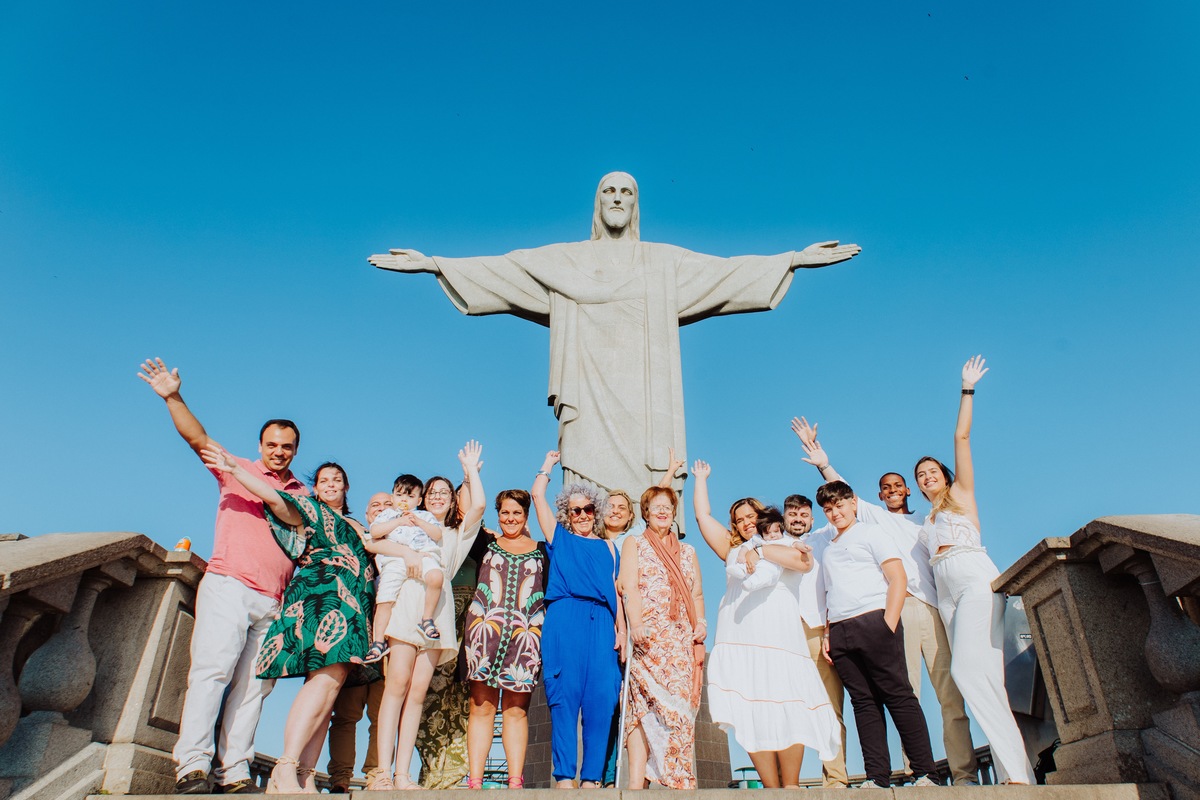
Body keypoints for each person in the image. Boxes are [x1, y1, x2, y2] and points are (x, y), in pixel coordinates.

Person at [370, 172, 860, 498]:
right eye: (609, 192)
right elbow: (507, 269)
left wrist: (791, 259)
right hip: (587, 397)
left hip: (646, 403)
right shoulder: (567, 260)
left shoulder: (663, 263)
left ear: (637, 204)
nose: (618, 200)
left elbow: (725, 274)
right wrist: (435, 264)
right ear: (596, 202)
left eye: (627, 193)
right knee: (586, 500)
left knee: (647, 498)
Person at [138, 358, 306, 795]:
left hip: (274, 601)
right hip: (230, 584)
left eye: (286, 446)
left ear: (295, 451)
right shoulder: (236, 468)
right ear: (261, 445)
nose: (278, 452)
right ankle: (192, 765)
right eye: (272, 444)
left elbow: (289, 515)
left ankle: (233, 771)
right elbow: (196, 438)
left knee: (254, 689)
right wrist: (173, 396)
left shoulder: (302, 494)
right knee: (211, 673)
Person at [791, 416, 980, 786]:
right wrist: (822, 462)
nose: (892, 490)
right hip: (889, 611)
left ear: (908, 490)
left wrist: (887, 621)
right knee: (895, 694)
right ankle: (913, 773)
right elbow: (842, 496)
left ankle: (962, 774)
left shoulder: (929, 521)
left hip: (926, 608)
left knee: (947, 697)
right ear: (877, 496)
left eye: (899, 485)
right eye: (885, 487)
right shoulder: (873, 522)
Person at [201, 450, 375, 794]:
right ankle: (286, 766)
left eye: (336, 480)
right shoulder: (308, 508)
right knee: (323, 683)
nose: (330, 484)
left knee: (331, 688)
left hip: (355, 606)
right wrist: (236, 469)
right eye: (323, 480)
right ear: (315, 487)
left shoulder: (358, 525)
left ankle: (305, 774)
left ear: (347, 487)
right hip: (325, 596)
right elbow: (272, 496)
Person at [913, 356, 1036, 784]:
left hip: (972, 577)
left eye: (932, 471)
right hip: (945, 590)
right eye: (920, 475)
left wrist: (967, 390)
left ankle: (1018, 774)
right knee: (978, 679)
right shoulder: (924, 523)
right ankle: (1015, 772)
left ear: (944, 477)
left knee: (967, 671)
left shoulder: (961, 496)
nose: (926, 476)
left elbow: (961, 437)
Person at [692, 463, 839, 788]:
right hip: (740, 636)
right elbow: (703, 517)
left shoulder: (785, 544)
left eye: (750, 516)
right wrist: (700, 480)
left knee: (790, 705)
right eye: (739, 519)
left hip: (780, 637)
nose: (745, 522)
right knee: (750, 708)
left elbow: (803, 564)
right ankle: (771, 788)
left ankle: (791, 787)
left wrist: (760, 548)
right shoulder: (732, 550)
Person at [369, 443, 486, 791]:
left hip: (438, 605)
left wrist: (470, 471)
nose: (437, 496)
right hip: (407, 598)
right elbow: (373, 542)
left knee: (418, 692)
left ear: (452, 500)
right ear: (421, 498)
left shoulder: (454, 533)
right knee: (396, 685)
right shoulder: (405, 523)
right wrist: (404, 550)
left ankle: (403, 774)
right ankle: (382, 773)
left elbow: (478, 504)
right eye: (431, 492)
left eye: (444, 492)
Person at [814, 480, 940, 789]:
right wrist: (830, 633)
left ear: (853, 503)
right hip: (842, 630)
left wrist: (888, 623)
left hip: (875, 621)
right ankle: (876, 778)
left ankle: (926, 773)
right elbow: (831, 592)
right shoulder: (829, 548)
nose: (834, 513)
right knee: (863, 703)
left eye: (839, 506)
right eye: (828, 509)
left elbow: (898, 578)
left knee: (898, 696)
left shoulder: (872, 533)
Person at [532, 450, 624, 788]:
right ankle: (565, 778)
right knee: (565, 697)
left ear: (595, 512)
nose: (583, 515)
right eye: (576, 510)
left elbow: (618, 593)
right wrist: (547, 465)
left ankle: (591, 781)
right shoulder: (559, 537)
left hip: (602, 622)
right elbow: (537, 495)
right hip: (564, 617)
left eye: (588, 509)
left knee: (602, 698)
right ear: (567, 514)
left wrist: (622, 631)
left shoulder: (610, 547)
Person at [619, 486, 704, 789]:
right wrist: (636, 622)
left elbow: (696, 593)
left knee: (680, 711)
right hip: (647, 640)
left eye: (668, 505)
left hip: (679, 640)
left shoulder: (689, 551)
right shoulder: (635, 543)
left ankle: (678, 779)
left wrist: (701, 623)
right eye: (656, 506)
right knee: (641, 711)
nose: (662, 510)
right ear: (645, 512)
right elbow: (628, 585)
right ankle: (635, 783)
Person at [463, 489, 547, 789]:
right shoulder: (485, 542)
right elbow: (466, 513)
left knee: (515, 709)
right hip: (484, 634)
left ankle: (514, 782)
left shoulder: (542, 549)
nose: (510, 519)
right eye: (505, 513)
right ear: (498, 515)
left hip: (526, 638)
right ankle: (475, 780)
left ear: (526, 516)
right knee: (481, 706)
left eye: (516, 513)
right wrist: (469, 474)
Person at [414, 477, 480, 788]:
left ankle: (454, 774)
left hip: (470, 621)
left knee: (463, 698)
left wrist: (470, 473)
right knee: (428, 695)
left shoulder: (481, 536)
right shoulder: (430, 532)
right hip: (436, 615)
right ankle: (430, 769)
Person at [780, 493, 848, 788]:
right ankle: (784, 783)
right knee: (783, 710)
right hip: (782, 635)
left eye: (804, 514)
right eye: (792, 514)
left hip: (819, 631)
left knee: (829, 708)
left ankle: (835, 779)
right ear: (784, 517)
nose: (798, 519)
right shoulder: (769, 543)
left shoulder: (825, 540)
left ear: (813, 518)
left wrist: (830, 630)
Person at [327, 491, 392, 793]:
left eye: (387, 504)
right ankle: (339, 777)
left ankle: (376, 774)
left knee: (382, 714)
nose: (381, 509)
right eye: (375, 505)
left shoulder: (403, 541)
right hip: (354, 636)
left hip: (389, 641)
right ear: (367, 515)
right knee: (346, 714)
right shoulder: (354, 537)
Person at [366, 474, 445, 660]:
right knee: (385, 599)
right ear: (392, 498)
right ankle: (378, 642)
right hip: (394, 560)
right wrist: (398, 521)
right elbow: (375, 532)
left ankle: (426, 619)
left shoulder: (424, 515)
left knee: (436, 577)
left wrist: (419, 521)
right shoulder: (387, 515)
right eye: (400, 495)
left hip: (423, 554)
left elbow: (437, 534)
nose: (404, 500)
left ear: (418, 500)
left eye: (410, 497)